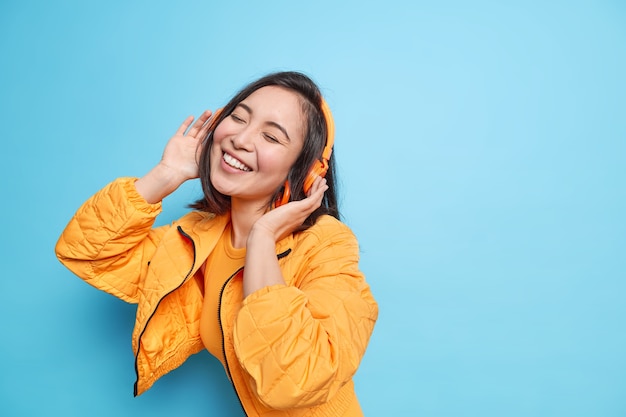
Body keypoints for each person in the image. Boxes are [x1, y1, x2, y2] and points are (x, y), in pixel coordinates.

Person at [55, 71, 378, 416]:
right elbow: (87, 252)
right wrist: (167, 174)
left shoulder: (327, 245)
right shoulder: (200, 236)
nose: (240, 138)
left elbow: (296, 379)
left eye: (271, 136)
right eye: (238, 117)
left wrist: (263, 239)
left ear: (305, 171)